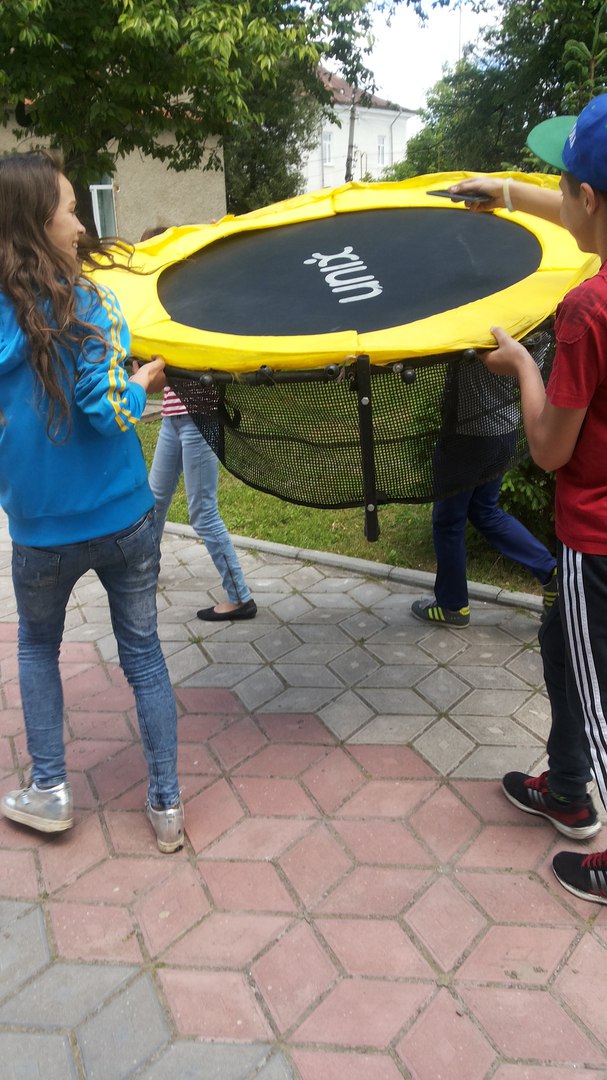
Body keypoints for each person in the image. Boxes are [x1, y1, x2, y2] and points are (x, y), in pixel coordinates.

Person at [0, 151, 183, 853]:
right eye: (71, 210)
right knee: (143, 653)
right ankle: (166, 807)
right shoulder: (94, 305)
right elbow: (108, 413)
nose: (82, 225)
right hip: (124, 518)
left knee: (37, 647)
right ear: (35, 223)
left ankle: (50, 790)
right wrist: (143, 382)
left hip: (39, 531)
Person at [450, 94, 607, 904]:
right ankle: (567, 788)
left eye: (562, 185)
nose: (560, 195)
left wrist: (521, 366)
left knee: (598, 691)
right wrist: (508, 193)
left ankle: (595, 825)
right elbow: (583, 213)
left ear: (586, 198)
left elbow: (548, 449)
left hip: (598, 539)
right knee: (558, 642)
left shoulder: (587, 311)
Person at [141, 226, 256, 623]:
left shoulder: (198, 306)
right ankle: (146, 571)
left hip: (200, 421)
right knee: (153, 502)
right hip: (172, 420)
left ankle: (240, 597)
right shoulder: (159, 312)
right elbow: (161, 376)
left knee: (202, 513)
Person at [411, 354, 558, 628]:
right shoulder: (526, 331)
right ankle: (551, 572)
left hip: (467, 436)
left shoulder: (480, 329)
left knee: (448, 522)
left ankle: (452, 606)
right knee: (484, 511)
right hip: (504, 431)